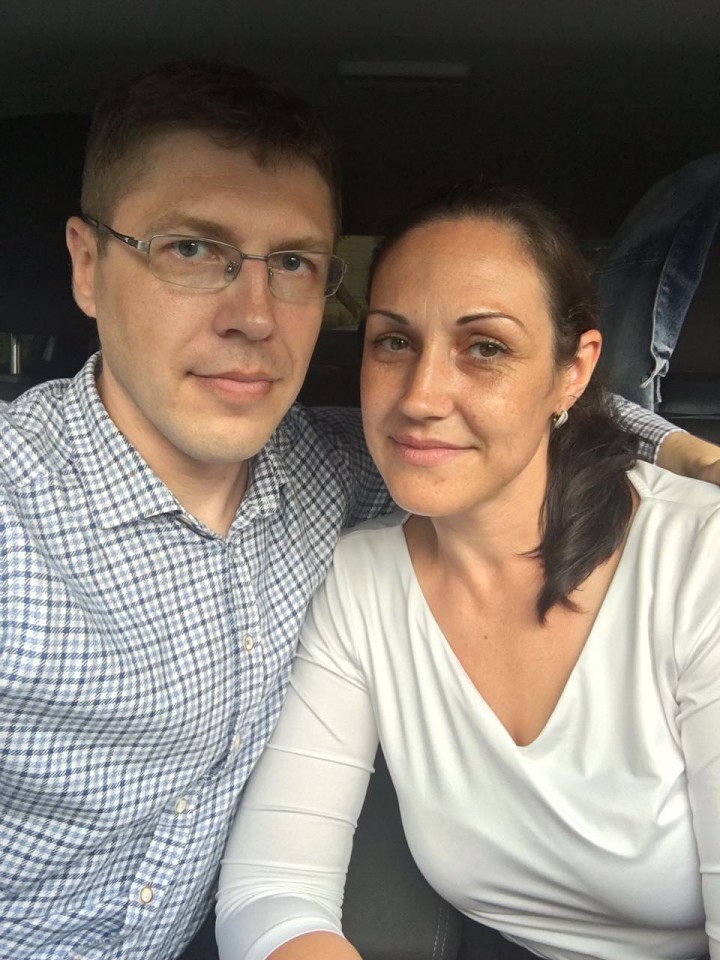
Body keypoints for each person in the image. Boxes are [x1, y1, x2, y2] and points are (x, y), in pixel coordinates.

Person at [0, 60, 717, 960]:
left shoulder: (332, 469)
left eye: (293, 263)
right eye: (191, 250)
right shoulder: (17, 510)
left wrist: (688, 452)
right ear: (87, 265)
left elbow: (520, 435)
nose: (253, 317)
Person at [217, 184, 720, 960]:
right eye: (393, 342)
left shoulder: (697, 559)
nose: (421, 397)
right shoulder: (361, 582)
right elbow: (274, 890)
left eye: (485, 348)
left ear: (572, 371)